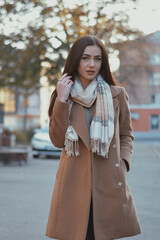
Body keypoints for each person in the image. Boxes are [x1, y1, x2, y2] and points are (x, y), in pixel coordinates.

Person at [46, 35, 141, 240]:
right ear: (75, 60)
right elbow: (57, 140)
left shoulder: (116, 95)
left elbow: (126, 135)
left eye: (97, 59)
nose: (92, 64)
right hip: (73, 183)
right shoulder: (64, 94)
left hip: (108, 181)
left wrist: (123, 163)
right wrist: (61, 100)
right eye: (85, 58)